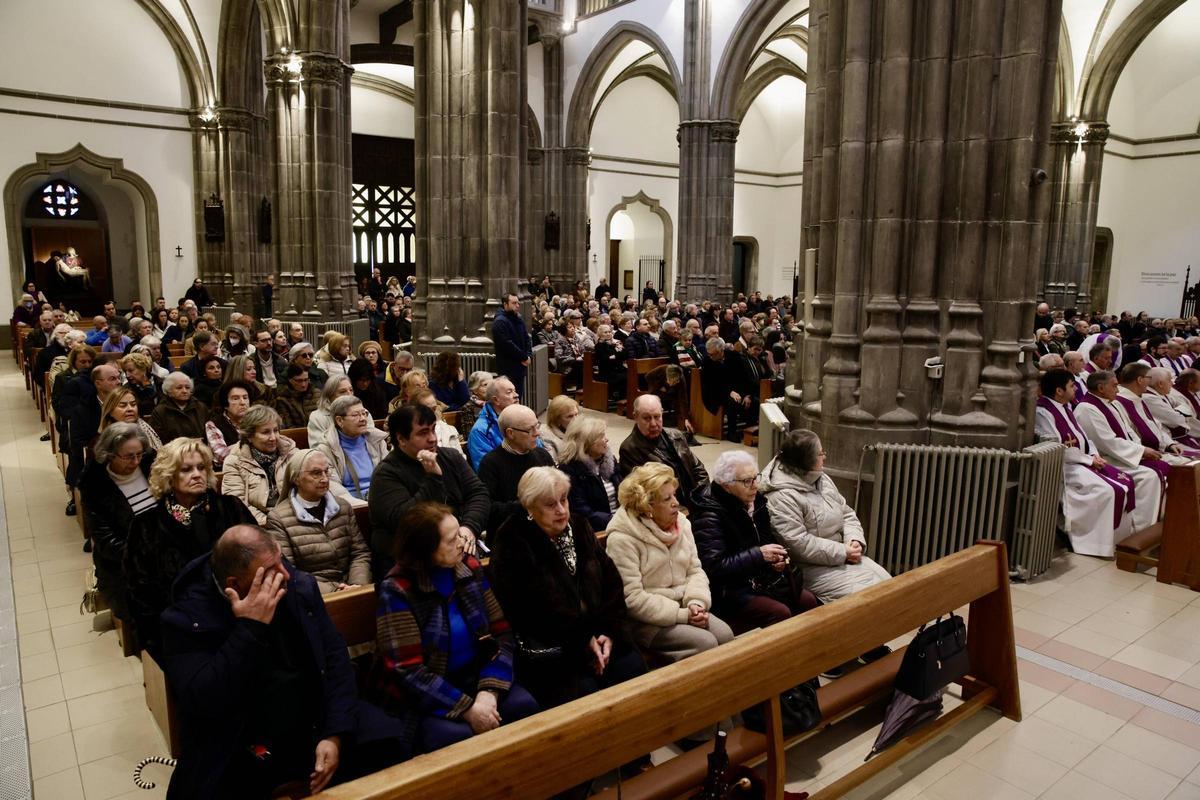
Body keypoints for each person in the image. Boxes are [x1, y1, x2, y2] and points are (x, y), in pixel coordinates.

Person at [160, 525, 405, 798]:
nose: (285, 574)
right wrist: (250, 629)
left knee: (390, 743)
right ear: (234, 585)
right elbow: (204, 701)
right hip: (241, 737)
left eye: (281, 559)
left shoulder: (297, 587)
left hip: (312, 719)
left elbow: (335, 661)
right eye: (271, 570)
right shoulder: (187, 619)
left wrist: (334, 732)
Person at [373, 502, 539, 753]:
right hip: (429, 694)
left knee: (524, 707)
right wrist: (467, 708)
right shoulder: (397, 590)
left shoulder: (467, 567)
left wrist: (489, 691)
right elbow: (407, 671)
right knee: (455, 739)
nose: (461, 543)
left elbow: (502, 634)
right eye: (451, 540)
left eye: (460, 534)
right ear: (425, 549)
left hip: (477, 676)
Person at [489, 467, 646, 710]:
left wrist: (609, 631)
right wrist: (583, 639)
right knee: (585, 693)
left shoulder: (579, 525)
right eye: (550, 505)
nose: (562, 510)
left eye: (564, 500)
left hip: (598, 630)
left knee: (632, 668)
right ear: (530, 507)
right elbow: (529, 610)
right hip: (553, 646)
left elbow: (611, 580)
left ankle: (637, 745)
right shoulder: (512, 539)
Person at [124, 438, 255, 656]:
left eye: (201, 467)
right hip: (181, 632)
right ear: (169, 476)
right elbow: (139, 591)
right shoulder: (146, 526)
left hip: (239, 618)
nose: (197, 474)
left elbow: (258, 559)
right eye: (186, 469)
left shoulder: (231, 509)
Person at [604, 463, 734, 662]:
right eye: (667, 498)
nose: (676, 503)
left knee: (726, 636)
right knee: (705, 644)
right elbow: (632, 598)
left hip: (686, 606)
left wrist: (696, 603)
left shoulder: (681, 523)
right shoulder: (623, 538)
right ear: (648, 507)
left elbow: (695, 571)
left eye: (674, 494)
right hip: (646, 621)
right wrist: (682, 615)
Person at [691, 451, 819, 633]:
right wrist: (759, 555)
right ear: (726, 486)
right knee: (779, 613)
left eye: (755, 478)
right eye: (746, 481)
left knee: (807, 601)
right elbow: (714, 567)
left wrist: (777, 560)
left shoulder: (756, 502)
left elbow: (767, 540)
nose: (755, 486)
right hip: (729, 590)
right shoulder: (709, 515)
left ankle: (810, 655)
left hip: (760, 578)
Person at [760, 430, 892, 603]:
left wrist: (854, 540)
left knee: (889, 584)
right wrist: (842, 552)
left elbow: (846, 513)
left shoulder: (822, 479)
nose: (825, 457)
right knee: (869, 598)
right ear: (807, 460)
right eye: (821, 453)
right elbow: (798, 544)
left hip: (843, 555)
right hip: (811, 567)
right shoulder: (781, 496)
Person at [368, 404, 490, 576]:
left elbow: (478, 493)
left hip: (456, 548)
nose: (433, 438)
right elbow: (404, 520)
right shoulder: (386, 474)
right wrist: (433, 479)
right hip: (411, 564)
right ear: (402, 439)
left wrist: (468, 526)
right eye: (423, 433)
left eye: (433, 430)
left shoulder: (450, 457)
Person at [1034, 369, 1140, 557]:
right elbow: (1055, 446)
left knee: (1125, 482)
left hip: (1083, 461)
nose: (1076, 389)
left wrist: (1094, 455)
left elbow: (1084, 437)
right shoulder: (1043, 411)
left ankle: (1117, 540)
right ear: (1059, 391)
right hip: (1064, 467)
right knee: (1107, 491)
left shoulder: (1066, 406)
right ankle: (1092, 542)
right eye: (1071, 386)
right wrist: (1088, 459)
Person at [78, 422, 156, 621]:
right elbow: (106, 542)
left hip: (163, 547)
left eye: (139, 454)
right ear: (110, 454)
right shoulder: (94, 485)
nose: (136, 461)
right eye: (129, 456)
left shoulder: (151, 464)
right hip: (123, 562)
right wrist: (146, 553)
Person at [265, 450, 372, 592]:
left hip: (355, 587)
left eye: (326, 471)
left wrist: (358, 584)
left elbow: (360, 553)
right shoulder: (278, 519)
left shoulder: (343, 507)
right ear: (296, 478)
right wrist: (335, 590)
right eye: (316, 473)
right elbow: (289, 572)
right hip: (315, 594)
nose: (325, 479)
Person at [619, 394, 709, 507]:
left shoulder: (676, 435)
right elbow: (643, 494)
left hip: (693, 500)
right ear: (635, 417)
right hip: (666, 509)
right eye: (646, 418)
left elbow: (698, 469)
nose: (653, 424)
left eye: (657, 417)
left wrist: (702, 498)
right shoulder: (629, 449)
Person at [478, 404, 556, 531]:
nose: (537, 433)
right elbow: (488, 509)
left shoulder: (542, 455)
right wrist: (528, 507)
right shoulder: (490, 463)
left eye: (537, 426)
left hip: (546, 527)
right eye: (530, 430)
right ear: (510, 433)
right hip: (511, 533)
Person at [221, 405, 301, 524]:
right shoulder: (234, 461)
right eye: (265, 432)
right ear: (249, 436)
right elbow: (237, 504)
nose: (273, 438)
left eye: (276, 430)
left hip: (295, 518)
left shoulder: (292, 453)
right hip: (259, 524)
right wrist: (269, 523)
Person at [556, 415, 623, 532]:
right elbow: (581, 510)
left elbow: (623, 490)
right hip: (594, 529)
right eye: (601, 436)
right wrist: (616, 521)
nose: (606, 439)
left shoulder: (609, 460)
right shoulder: (569, 469)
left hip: (620, 521)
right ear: (587, 442)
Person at [316, 395, 389, 501]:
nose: (363, 419)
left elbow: (389, 474)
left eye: (364, 413)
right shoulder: (326, 449)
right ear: (340, 421)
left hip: (382, 497)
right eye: (356, 415)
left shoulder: (376, 440)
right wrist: (360, 505)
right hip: (351, 503)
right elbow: (333, 486)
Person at [467, 376, 519, 469]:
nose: (516, 395)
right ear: (496, 400)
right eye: (509, 392)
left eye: (514, 391)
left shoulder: (522, 418)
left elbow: (538, 449)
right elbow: (485, 470)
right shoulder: (480, 431)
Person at [309, 375, 373, 444]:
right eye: (342, 392)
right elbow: (317, 447)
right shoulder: (317, 417)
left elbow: (372, 439)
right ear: (330, 395)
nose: (349, 395)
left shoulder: (363, 412)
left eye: (351, 390)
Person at [204, 379, 253, 468]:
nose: (242, 403)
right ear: (225, 404)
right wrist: (253, 446)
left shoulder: (256, 420)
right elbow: (222, 456)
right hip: (230, 472)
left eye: (245, 398)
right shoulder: (213, 424)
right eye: (236, 398)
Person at [149, 372, 209, 443]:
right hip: (172, 451)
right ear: (169, 391)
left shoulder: (201, 407)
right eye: (179, 388)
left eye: (187, 387)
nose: (184, 391)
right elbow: (157, 439)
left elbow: (209, 433)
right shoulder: (160, 411)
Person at [492, 292, 532, 400]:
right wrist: (523, 357)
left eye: (518, 303)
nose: (517, 305)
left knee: (517, 397)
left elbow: (526, 337)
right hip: (508, 368)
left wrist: (528, 355)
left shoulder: (518, 319)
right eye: (514, 303)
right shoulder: (500, 322)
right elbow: (507, 344)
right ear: (505, 304)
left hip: (520, 366)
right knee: (508, 399)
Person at [99, 385, 164, 451]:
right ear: (110, 411)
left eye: (133, 404)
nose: (130, 409)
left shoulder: (145, 428)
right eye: (123, 406)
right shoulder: (107, 439)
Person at [411, 388, 464, 453]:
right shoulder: (410, 435)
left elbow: (461, 459)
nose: (431, 413)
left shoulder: (449, 430)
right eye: (427, 410)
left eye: (434, 408)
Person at [273, 363, 321, 429]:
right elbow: (289, 426)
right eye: (299, 381)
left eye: (306, 380)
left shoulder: (317, 393)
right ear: (290, 380)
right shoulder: (283, 399)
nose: (303, 384)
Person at [540, 395, 579, 462]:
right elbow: (553, 467)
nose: (576, 419)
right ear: (557, 419)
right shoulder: (546, 438)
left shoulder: (579, 429)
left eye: (576, 414)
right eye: (570, 416)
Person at [456, 370, 491, 439]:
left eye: (491, 384)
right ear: (475, 390)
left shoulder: (495, 403)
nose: (489, 388)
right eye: (485, 385)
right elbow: (469, 435)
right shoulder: (468, 407)